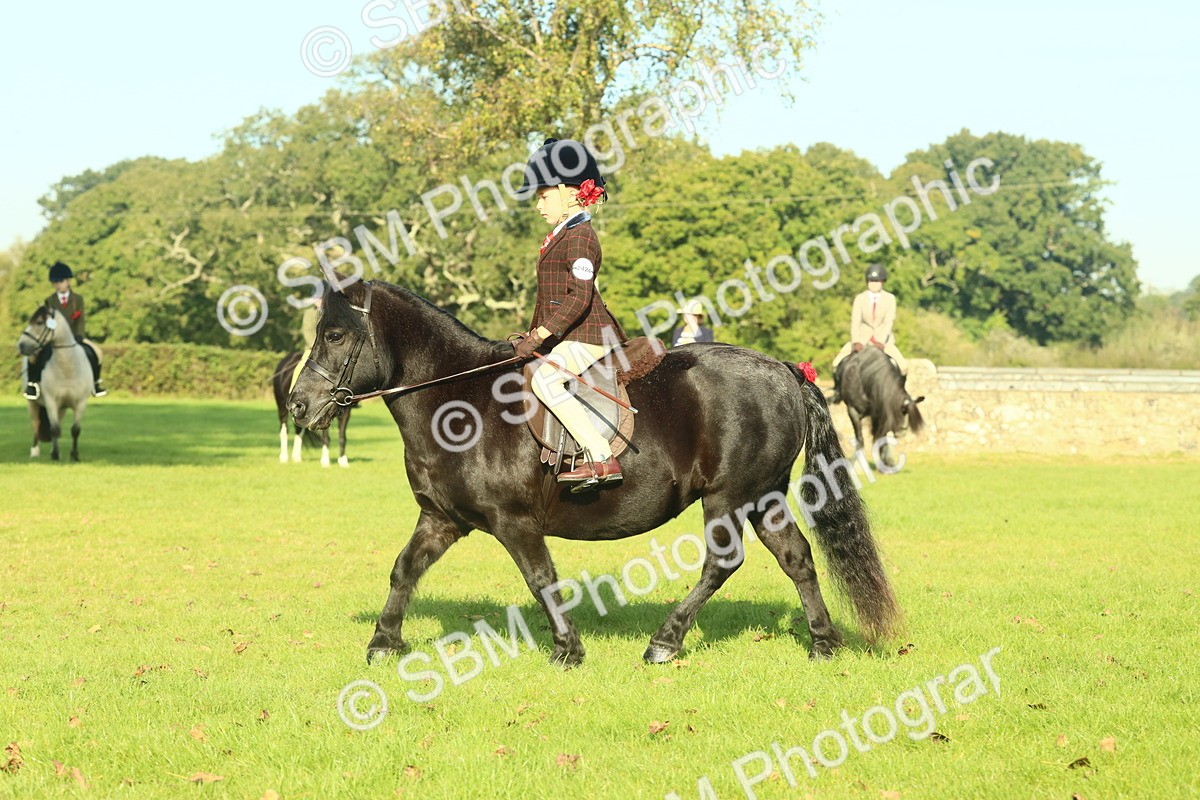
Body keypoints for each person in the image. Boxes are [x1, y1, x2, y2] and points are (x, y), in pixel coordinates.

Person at [513, 137, 628, 490]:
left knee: (546, 381)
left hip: (589, 334)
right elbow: (551, 297)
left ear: (566, 192)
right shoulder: (563, 234)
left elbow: (578, 299)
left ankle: (601, 458)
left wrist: (541, 335)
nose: (538, 205)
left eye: (543, 196)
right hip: (573, 333)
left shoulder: (580, 238)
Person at [24, 261, 106, 400]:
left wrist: (80, 335)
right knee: (33, 355)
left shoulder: (78, 299)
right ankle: (32, 385)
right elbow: (49, 321)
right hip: (54, 338)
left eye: (60, 281)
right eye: (55, 282)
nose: (58, 285)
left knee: (98, 352)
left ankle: (96, 384)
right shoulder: (49, 300)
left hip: (76, 336)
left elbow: (80, 319)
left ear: (68, 281)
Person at [829, 263, 907, 403]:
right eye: (871, 281)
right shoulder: (860, 298)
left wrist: (881, 341)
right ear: (867, 282)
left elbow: (889, 322)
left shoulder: (890, 299)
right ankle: (838, 392)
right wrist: (856, 341)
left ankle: (901, 396)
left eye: (876, 281)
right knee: (836, 364)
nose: (874, 284)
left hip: (883, 341)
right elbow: (855, 321)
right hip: (861, 339)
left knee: (903, 366)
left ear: (882, 282)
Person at [290, 296, 323, 392]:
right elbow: (307, 330)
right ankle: (293, 391)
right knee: (299, 368)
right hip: (312, 348)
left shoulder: (331, 312)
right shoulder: (309, 313)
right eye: (317, 298)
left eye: (322, 298)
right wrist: (315, 346)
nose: (320, 301)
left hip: (330, 347)